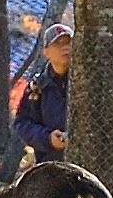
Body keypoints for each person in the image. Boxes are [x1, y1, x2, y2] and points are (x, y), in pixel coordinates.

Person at [13, 23, 71, 161]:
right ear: (46, 52)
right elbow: (22, 123)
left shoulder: (89, 81)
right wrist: (47, 138)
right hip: (49, 162)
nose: (65, 48)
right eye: (58, 44)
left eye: (69, 42)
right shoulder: (37, 86)